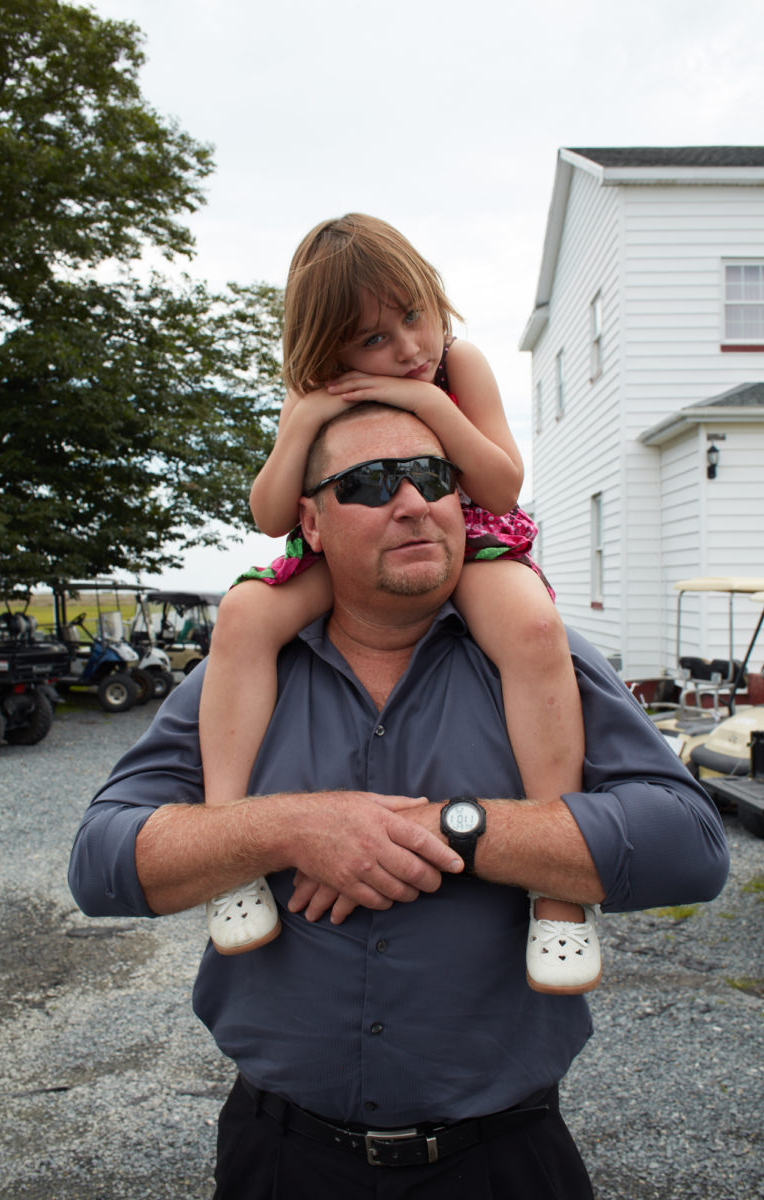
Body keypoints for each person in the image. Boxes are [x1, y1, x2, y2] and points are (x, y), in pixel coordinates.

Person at [69, 401, 730, 1200]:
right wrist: (289, 827)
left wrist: (448, 828)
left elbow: (688, 847)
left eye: (432, 476)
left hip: (505, 1160)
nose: (413, 501)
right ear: (310, 523)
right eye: (371, 483)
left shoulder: (541, 656)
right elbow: (101, 861)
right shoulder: (239, 677)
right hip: (281, 1158)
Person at [200, 213, 596, 994]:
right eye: (375, 339)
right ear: (330, 349)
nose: (411, 346)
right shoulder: (316, 392)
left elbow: (500, 485)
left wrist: (429, 405)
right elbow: (273, 515)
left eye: (415, 315)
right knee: (243, 614)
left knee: (531, 624)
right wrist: (305, 420)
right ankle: (227, 850)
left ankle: (561, 888)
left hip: (466, 537)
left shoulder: (458, 364)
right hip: (352, 548)